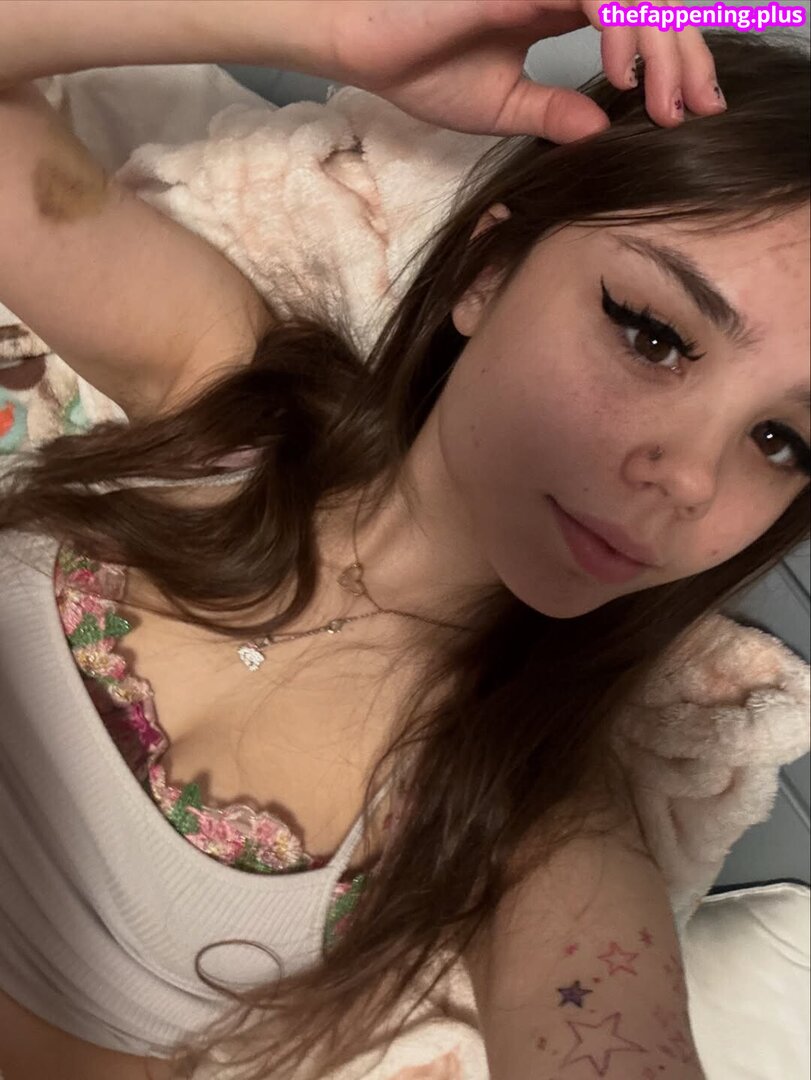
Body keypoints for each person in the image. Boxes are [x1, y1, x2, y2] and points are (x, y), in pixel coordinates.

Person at [0, 2, 807, 1079]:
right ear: (486, 271)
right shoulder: (232, 395)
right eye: (653, 334)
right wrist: (333, 30)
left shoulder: (536, 829)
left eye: (783, 441)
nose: (694, 480)